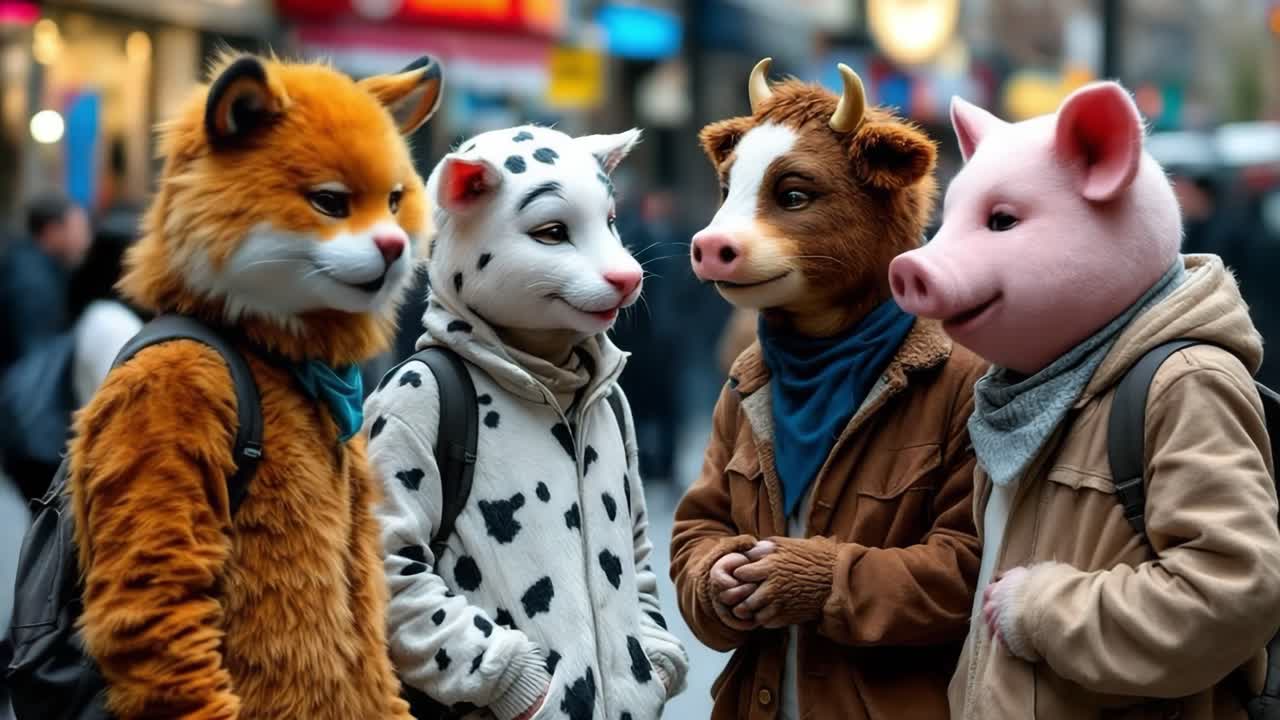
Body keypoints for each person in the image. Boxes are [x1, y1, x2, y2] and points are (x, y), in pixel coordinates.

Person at [0, 191, 91, 372]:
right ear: (52, 232)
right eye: (78, 230)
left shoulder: (30, 265)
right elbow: (36, 366)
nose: (85, 240)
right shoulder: (33, 286)